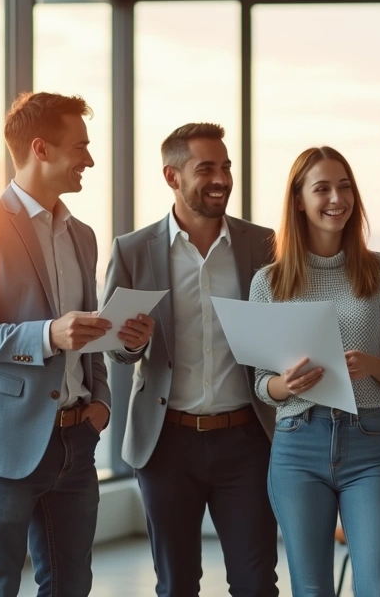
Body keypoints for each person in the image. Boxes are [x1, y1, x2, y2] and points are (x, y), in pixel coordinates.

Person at [0, 92, 146, 596]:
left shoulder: (83, 235)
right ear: (41, 149)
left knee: (70, 586)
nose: (90, 160)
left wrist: (101, 400)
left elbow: (90, 326)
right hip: (3, 445)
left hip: (76, 441)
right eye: (80, 146)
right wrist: (46, 334)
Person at [102, 122, 279, 597]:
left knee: (256, 582)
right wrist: (132, 341)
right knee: (176, 584)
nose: (221, 178)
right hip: (165, 445)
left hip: (247, 440)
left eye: (225, 167)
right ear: (172, 176)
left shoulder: (262, 245)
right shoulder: (133, 249)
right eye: (207, 169)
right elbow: (117, 350)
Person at [249, 145, 380, 597]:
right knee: (311, 588)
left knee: (379, 587)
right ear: (299, 200)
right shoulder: (269, 281)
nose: (336, 198)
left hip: (370, 441)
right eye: (322, 188)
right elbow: (263, 383)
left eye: (344, 187)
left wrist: (371, 364)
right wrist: (286, 384)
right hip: (298, 444)